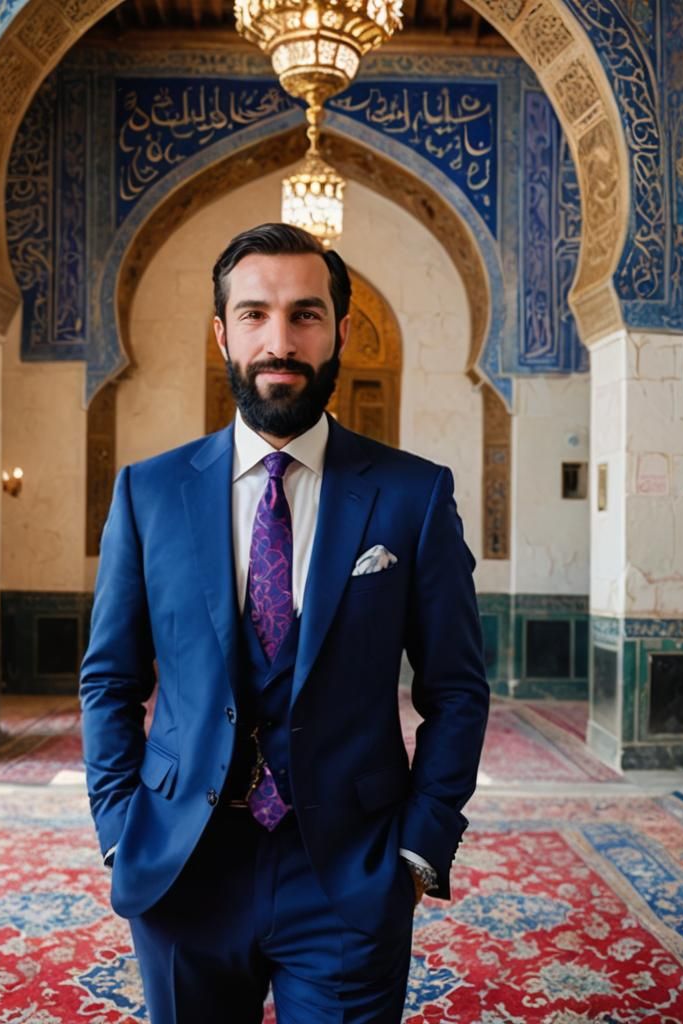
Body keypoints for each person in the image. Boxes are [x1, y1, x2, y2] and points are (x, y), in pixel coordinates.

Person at [80, 223, 489, 1023]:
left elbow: (458, 688)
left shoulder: (412, 496)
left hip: (348, 872)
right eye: (255, 315)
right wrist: (119, 826)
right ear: (222, 333)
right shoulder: (148, 494)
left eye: (305, 315)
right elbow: (110, 680)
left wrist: (417, 848)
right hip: (182, 865)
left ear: (338, 330)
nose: (280, 340)